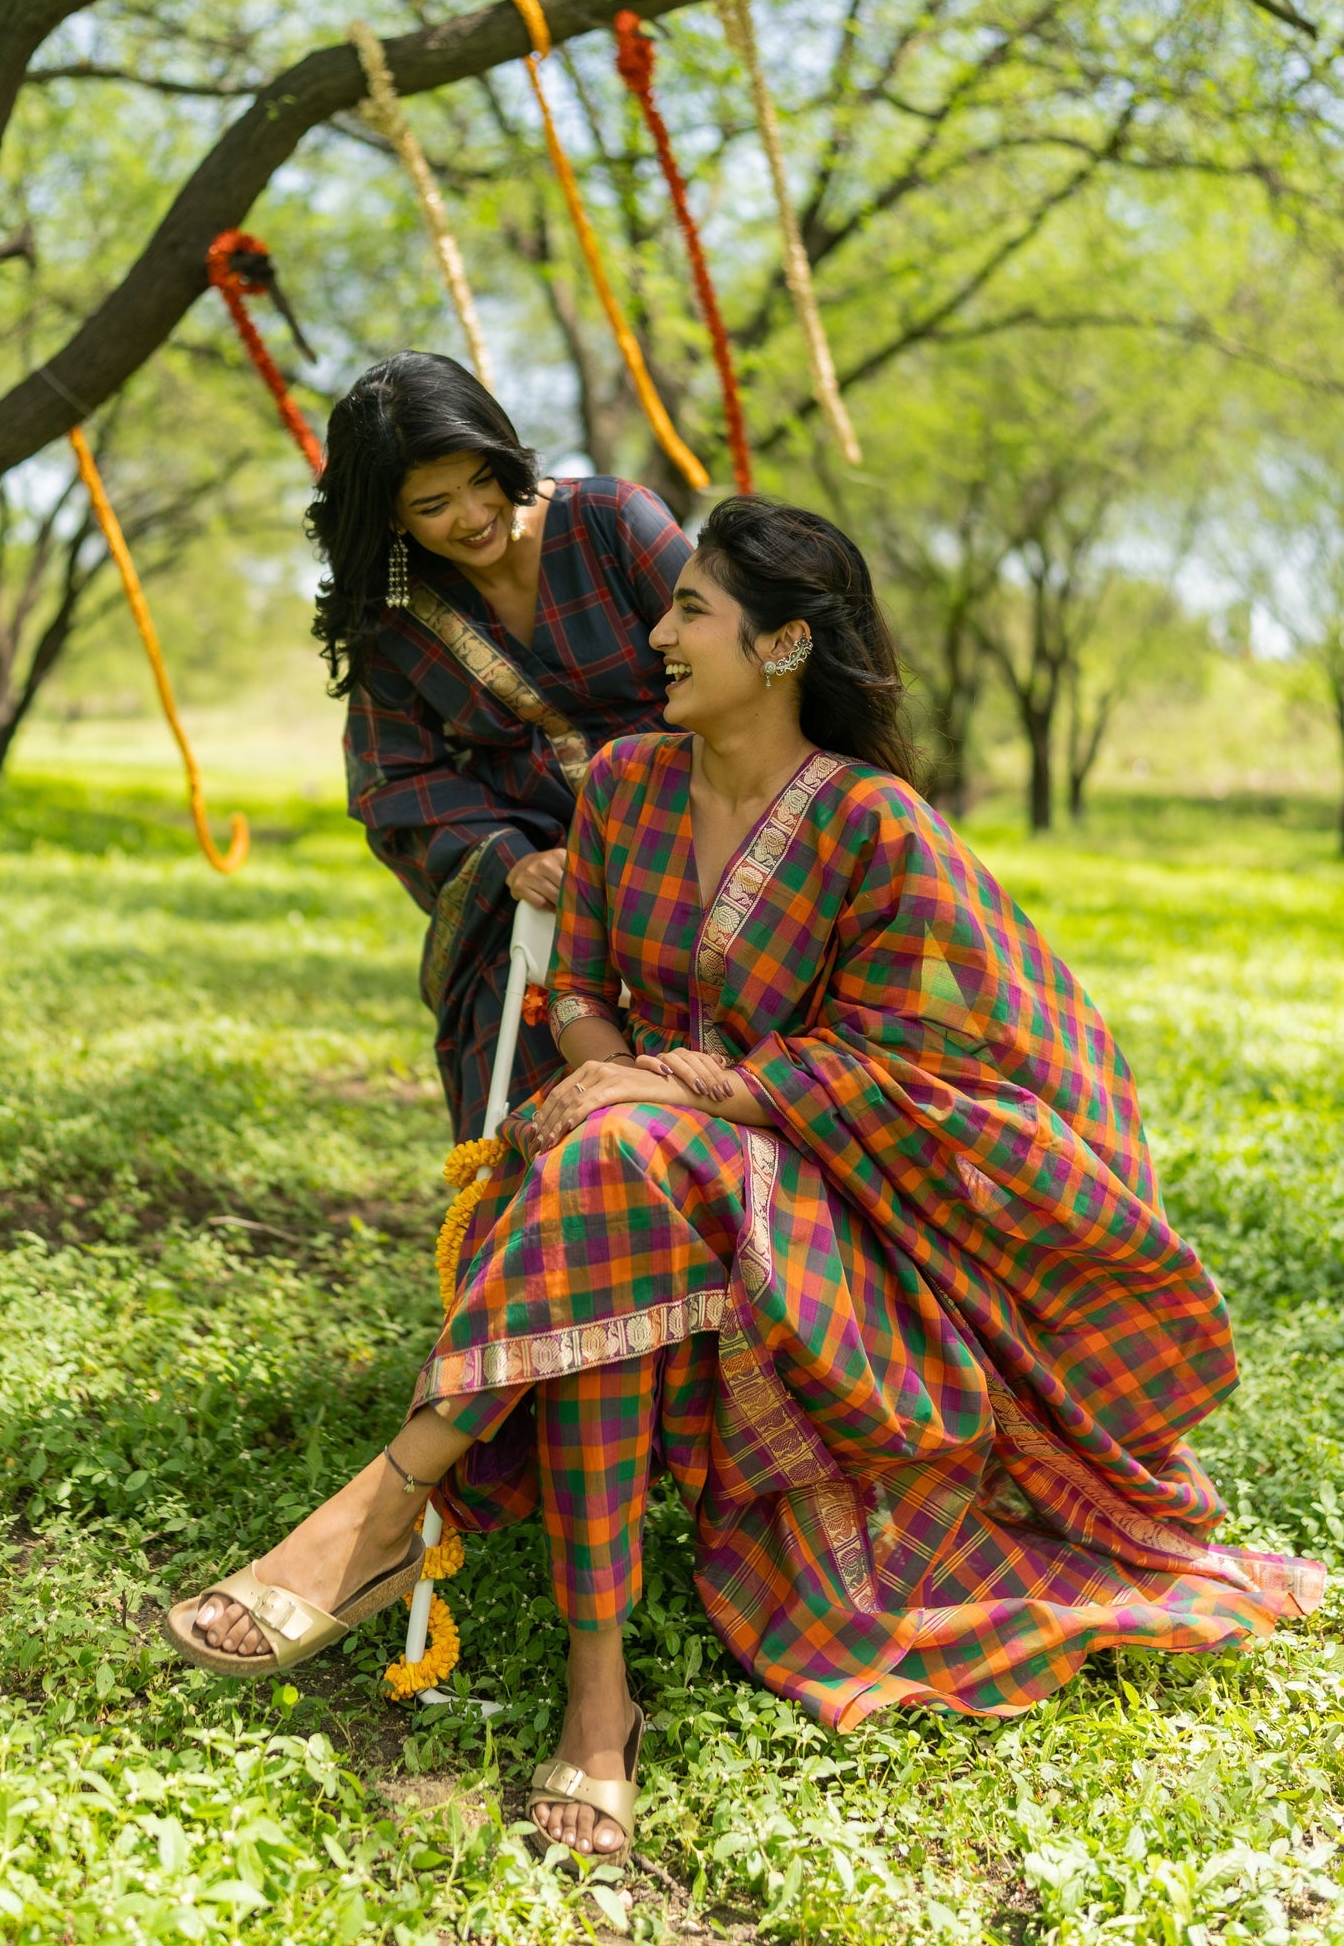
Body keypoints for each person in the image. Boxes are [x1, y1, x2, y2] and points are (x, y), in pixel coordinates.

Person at [168, 498, 1321, 1865]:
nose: (654, 634)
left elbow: (924, 1066)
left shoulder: (871, 826)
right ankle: (590, 1699)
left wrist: (665, 1086)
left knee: (620, 1154)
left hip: (837, 1233)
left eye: (691, 611)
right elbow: (582, 989)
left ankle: (394, 1512)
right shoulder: (627, 790)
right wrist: (609, 1071)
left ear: (780, 646)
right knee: (619, 1173)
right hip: (651, 1194)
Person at [306, 350, 692, 1137]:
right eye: (433, 504)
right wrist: (509, 857)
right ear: (390, 516)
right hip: (534, 903)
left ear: (500, 449)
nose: (474, 514)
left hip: (696, 857)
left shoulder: (615, 521)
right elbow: (392, 780)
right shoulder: (394, 611)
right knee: (522, 1103)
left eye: (481, 478)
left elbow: (741, 668)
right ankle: (528, 1256)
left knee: (699, 1096)